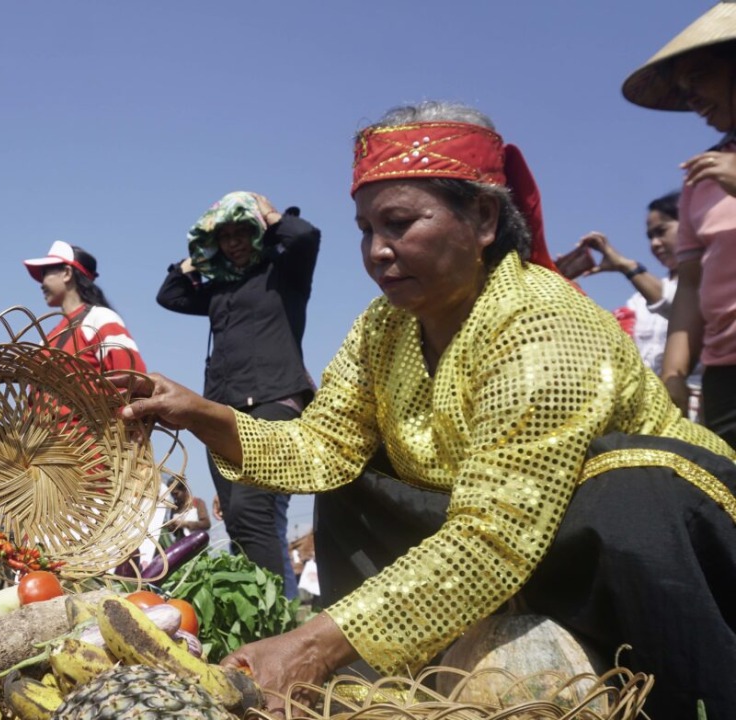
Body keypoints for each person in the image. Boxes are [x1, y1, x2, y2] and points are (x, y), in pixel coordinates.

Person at [120, 101, 736, 717]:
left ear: (485, 217)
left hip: (643, 550)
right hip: (504, 544)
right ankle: (398, 670)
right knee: (357, 472)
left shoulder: (544, 325)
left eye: (399, 224)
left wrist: (312, 646)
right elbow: (322, 447)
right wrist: (204, 414)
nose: (377, 251)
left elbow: (495, 533)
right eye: (366, 229)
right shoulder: (382, 328)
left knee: (624, 487)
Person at [156, 191, 321, 597]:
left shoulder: (283, 275)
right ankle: (250, 610)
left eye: (241, 231)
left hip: (272, 404)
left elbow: (304, 236)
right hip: (223, 413)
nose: (233, 242)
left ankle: (275, 624)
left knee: (253, 514)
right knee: (236, 517)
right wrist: (197, 255)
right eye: (224, 235)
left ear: (257, 233)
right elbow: (170, 294)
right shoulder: (218, 291)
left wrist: (265, 211)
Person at [623, 1, 736, 450]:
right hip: (723, 374)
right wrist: (672, 374)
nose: (691, 97)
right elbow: (690, 286)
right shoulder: (701, 178)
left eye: (700, 76)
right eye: (683, 87)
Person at [575, 192, 705, 419]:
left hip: (699, 410)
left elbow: (680, 309)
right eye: (650, 236)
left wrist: (627, 266)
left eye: (662, 231)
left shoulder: (712, 282)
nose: (655, 243)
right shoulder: (638, 301)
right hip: (651, 410)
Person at [22, 240, 147, 374]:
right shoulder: (46, 340)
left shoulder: (100, 319)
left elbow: (133, 381)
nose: (41, 283)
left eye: (45, 273)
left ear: (67, 273)